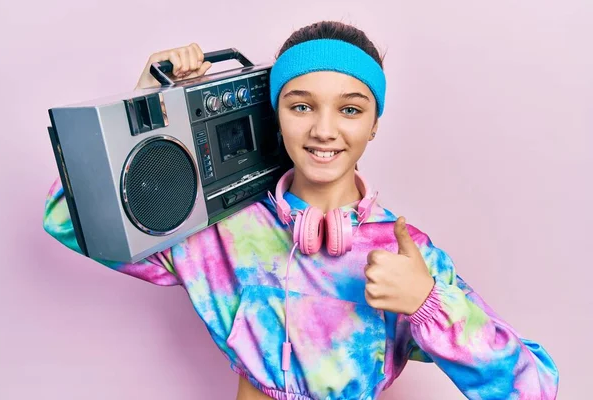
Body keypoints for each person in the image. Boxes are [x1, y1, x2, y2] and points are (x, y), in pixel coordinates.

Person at [43, 21, 559, 400]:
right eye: (301, 105)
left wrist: (427, 304)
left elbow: (533, 389)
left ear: (375, 123)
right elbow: (67, 219)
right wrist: (142, 118)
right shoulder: (223, 232)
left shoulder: (406, 256)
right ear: (277, 115)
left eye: (351, 109)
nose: (324, 130)